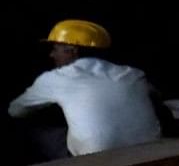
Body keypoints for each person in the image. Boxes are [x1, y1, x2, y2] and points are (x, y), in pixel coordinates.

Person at [11, 19, 161, 156]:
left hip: (95, 162)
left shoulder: (56, 78)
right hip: (149, 153)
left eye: (56, 49)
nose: (51, 55)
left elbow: (16, 110)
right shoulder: (132, 73)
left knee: (31, 128)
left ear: (72, 49)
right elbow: (155, 96)